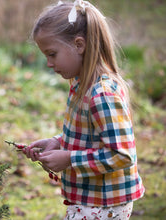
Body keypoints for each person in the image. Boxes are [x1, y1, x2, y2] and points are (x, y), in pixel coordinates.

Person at [23, 0, 145, 219]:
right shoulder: (82, 85)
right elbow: (93, 135)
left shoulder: (102, 95)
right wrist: (57, 142)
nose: (49, 63)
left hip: (105, 203)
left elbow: (122, 154)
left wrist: (69, 158)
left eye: (52, 54)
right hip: (91, 199)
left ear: (79, 45)